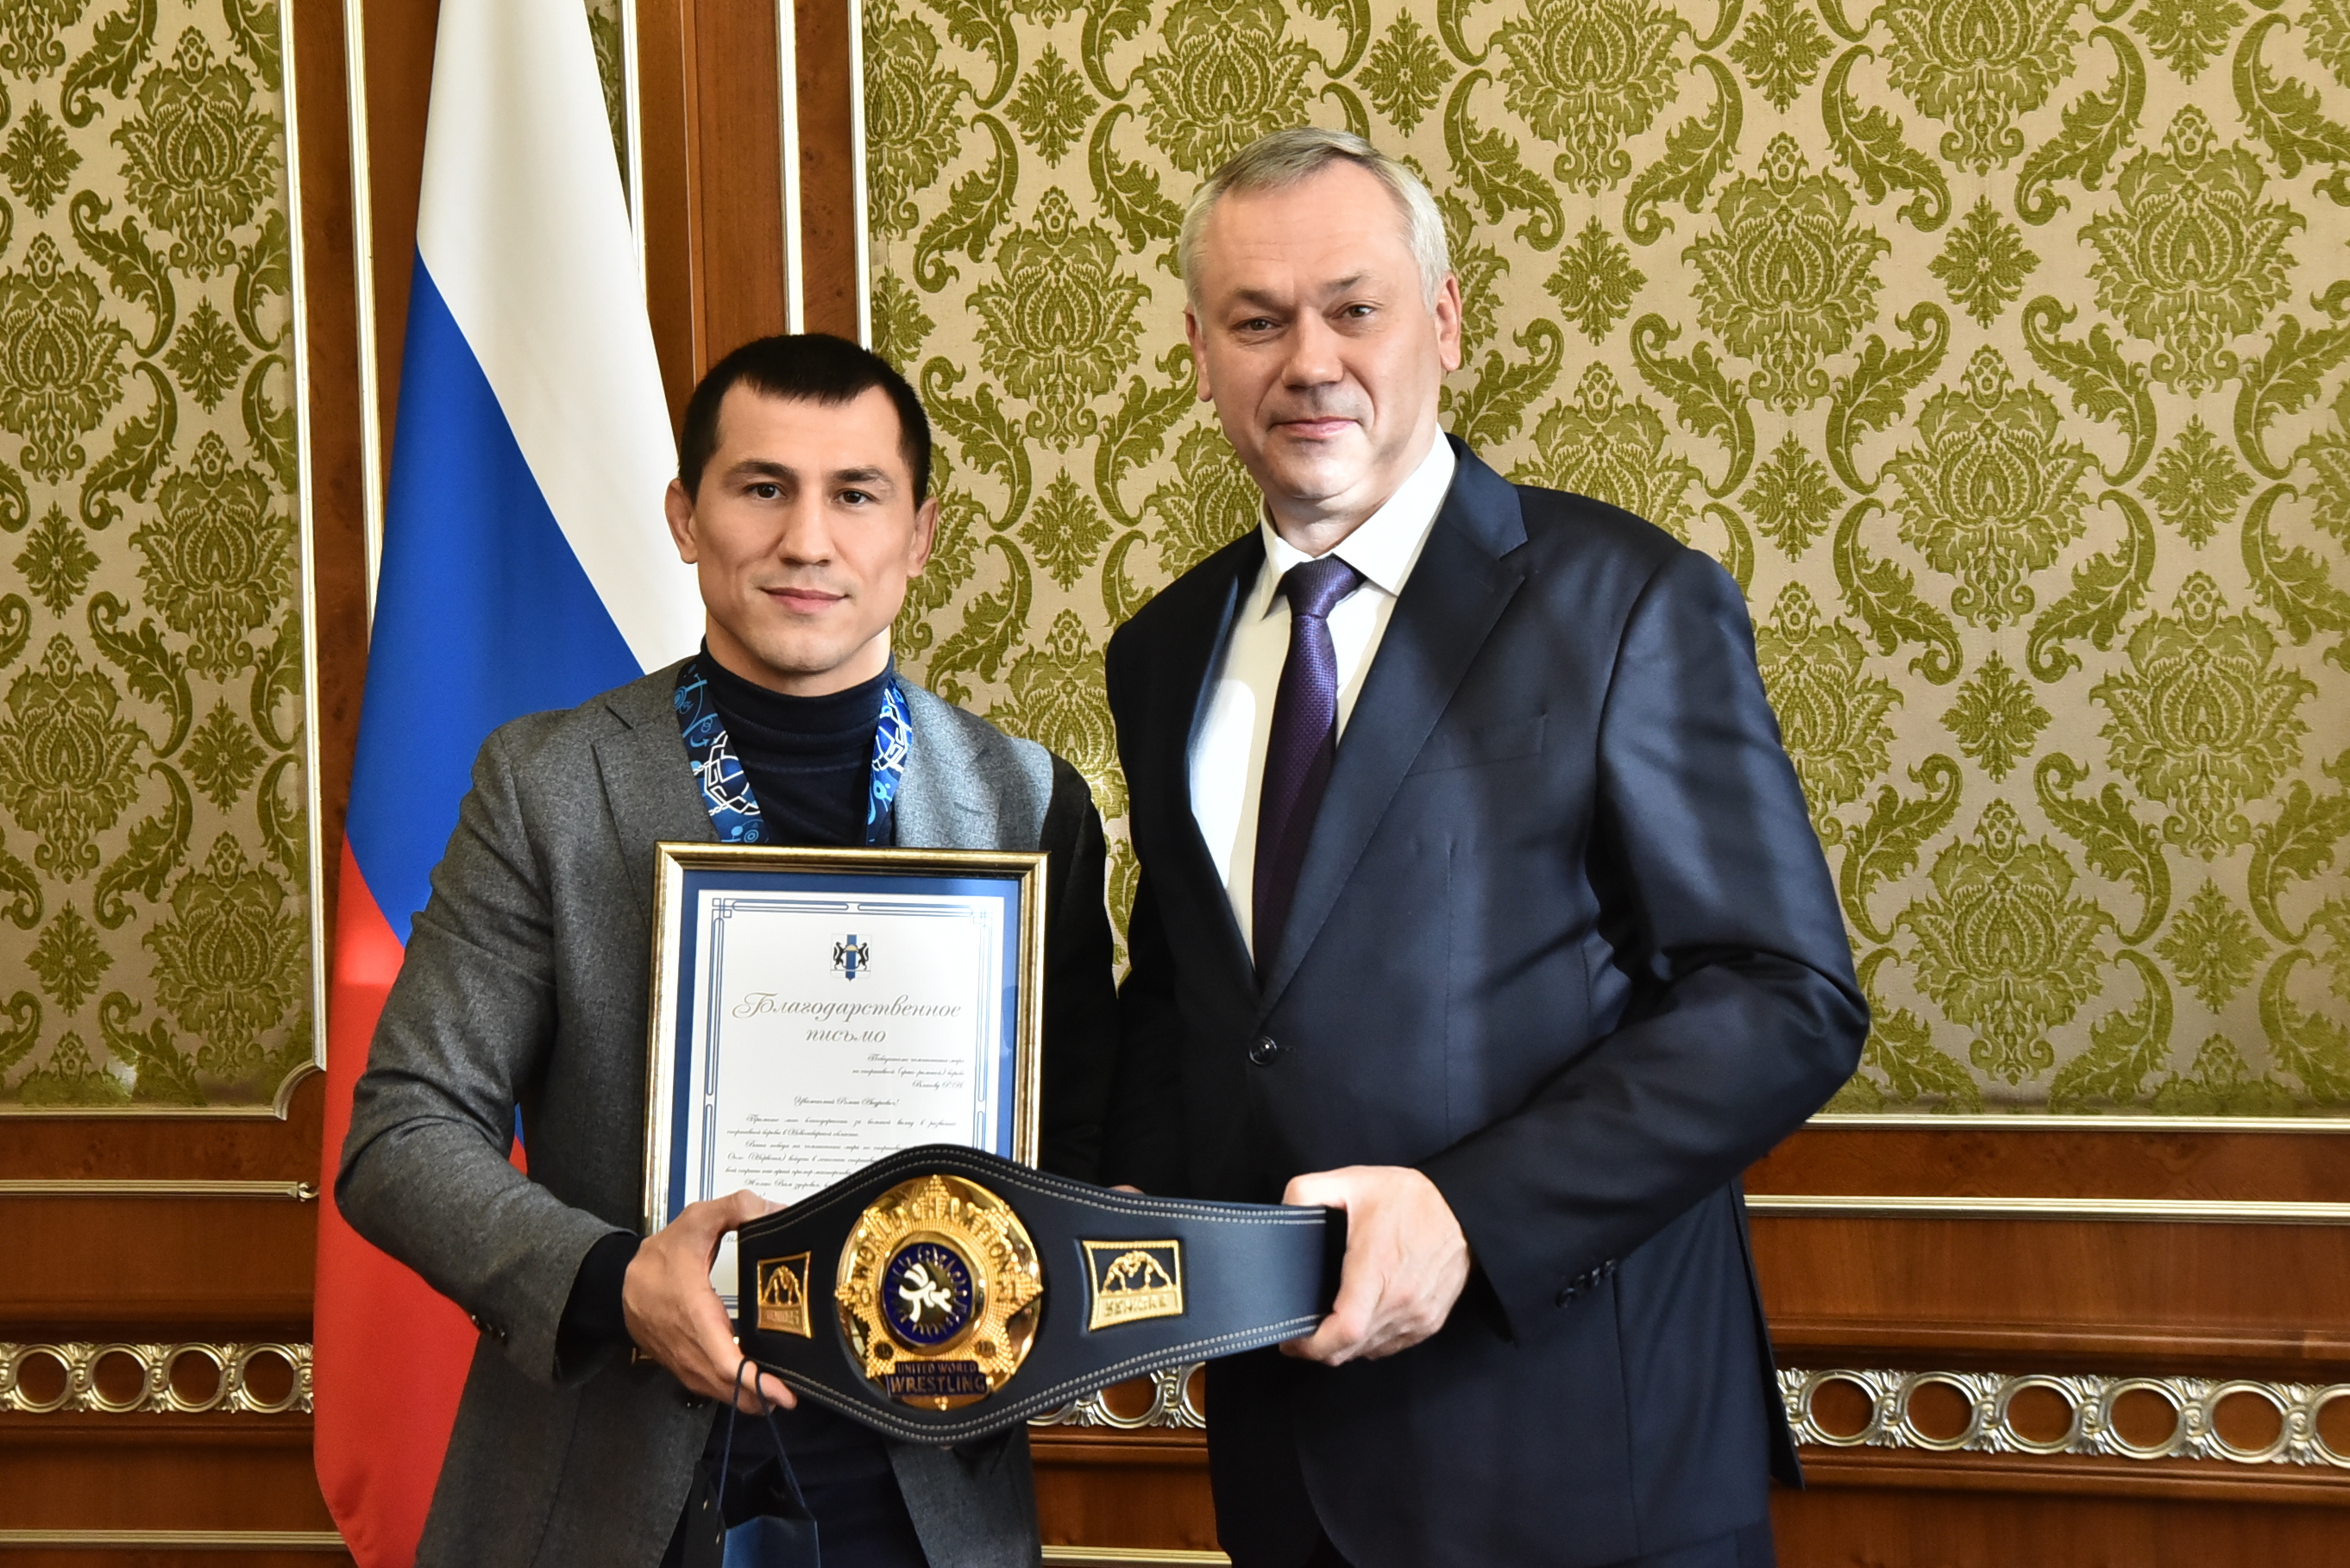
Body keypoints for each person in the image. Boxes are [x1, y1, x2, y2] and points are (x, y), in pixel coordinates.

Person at [1100, 128, 1867, 1568]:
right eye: (1258, 322)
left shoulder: (1628, 599)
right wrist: (1127, 1195)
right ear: (1199, 353)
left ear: (1443, 323)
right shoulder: (1163, 651)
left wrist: (1469, 1211)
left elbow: (1784, 995)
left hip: (1585, 1465)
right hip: (1285, 1462)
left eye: (1355, 307)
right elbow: (1197, 995)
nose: (1310, 361)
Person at [338, 334, 1117, 1567]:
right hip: (607, 1488)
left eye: (855, 494)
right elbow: (402, 1134)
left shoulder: (1027, 805)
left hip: (925, 1497)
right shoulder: (546, 785)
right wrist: (614, 1283)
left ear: (918, 534)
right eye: (763, 487)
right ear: (685, 517)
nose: (808, 539)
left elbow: (1075, 1148)